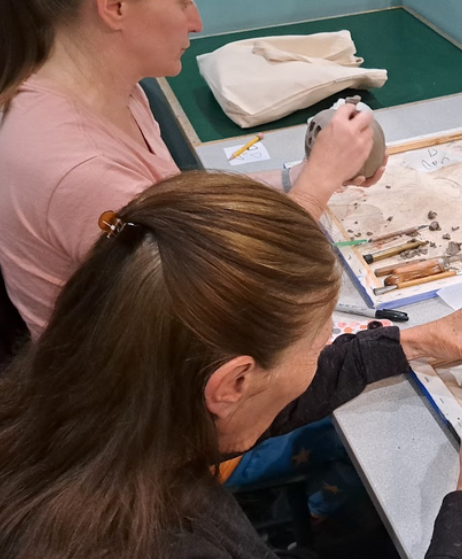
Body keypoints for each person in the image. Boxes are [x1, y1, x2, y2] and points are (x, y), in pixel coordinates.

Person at [0, 171, 462, 559]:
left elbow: (261, 398)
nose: (322, 353)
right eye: (317, 345)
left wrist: (420, 340)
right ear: (233, 382)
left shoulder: (90, 395)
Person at [0, 0, 383, 338]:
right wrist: (318, 182)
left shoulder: (115, 90)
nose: (197, 23)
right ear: (115, 7)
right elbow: (232, 295)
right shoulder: (80, 168)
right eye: (182, 2)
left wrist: (296, 176)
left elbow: (177, 209)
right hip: (134, 383)